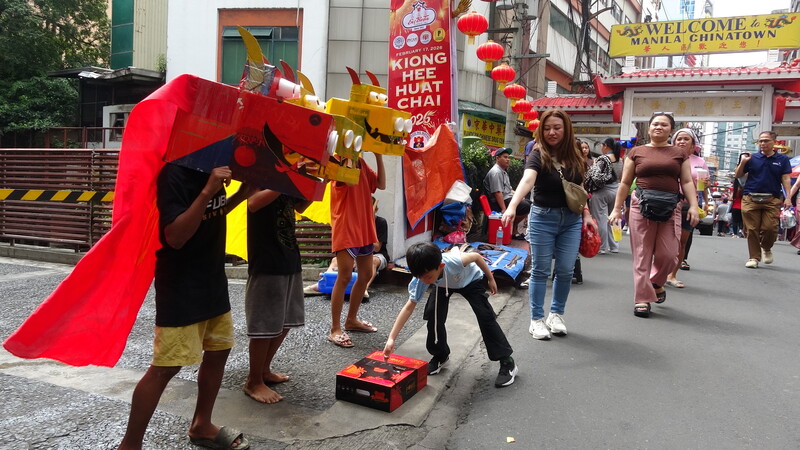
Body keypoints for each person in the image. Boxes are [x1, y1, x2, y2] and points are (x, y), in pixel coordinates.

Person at [119, 164, 254, 450]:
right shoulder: (174, 173)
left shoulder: (214, 166)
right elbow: (176, 236)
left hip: (212, 278)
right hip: (181, 284)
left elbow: (209, 215)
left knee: (219, 351)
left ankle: (201, 425)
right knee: (166, 367)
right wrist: (207, 191)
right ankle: (129, 445)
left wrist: (240, 195)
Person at [502, 109, 597, 339]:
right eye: (546, 128)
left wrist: (586, 214)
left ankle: (556, 314)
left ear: (566, 129)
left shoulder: (575, 156)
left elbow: (579, 190)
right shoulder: (538, 155)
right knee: (541, 270)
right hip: (543, 218)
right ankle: (536, 319)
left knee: (565, 270)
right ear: (541, 131)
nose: (552, 132)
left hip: (572, 220)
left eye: (557, 127)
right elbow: (527, 179)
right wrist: (513, 206)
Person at [382, 242, 517, 387]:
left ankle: (507, 362)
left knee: (486, 317)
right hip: (442, 285)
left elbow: (477, 257)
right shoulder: (422, 277)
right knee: (433, 316)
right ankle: (441, 355)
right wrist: (391, 338)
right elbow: (409, 307)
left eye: (427, 277)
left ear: (440, 267)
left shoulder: (457, 261)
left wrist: (490, 278)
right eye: (420, 277)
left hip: (469, 280)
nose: (424, 281)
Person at [609, 113, 699, 318]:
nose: (659, 127)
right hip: (641, 205)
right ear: (649, 128)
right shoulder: (636, 152)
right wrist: (617, 208)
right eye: (655, 124)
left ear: (670, 129)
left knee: (670, 253)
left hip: (671, 207)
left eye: (664, 125)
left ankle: (656, 282)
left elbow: (686, 182)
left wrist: (693, 205)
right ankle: (642, 298)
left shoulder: (679, 154)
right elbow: (624, 182)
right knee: (642, 254)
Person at [243, 189, 310, 404]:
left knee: (285, 322)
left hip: (289, 256)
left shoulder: (286, 169)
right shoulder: (262, 167)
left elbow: (299, 207)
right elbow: (252, 202)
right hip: (267, 260)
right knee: (264, 326)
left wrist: (323, 178)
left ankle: (263, 371)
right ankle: (252, 382)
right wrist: (285, 179)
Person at [327, 154, 386, 347]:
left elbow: (381, 184)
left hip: (364, 227)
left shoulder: (361, 162)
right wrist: (348, 152)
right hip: (346, 226)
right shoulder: (338, 161)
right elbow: (348, 180)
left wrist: (379, 155)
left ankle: (351, 320)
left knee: (366, 274)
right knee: (343, 276)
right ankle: (335, 328)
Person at [734, 131, 792, 268]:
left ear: (774, 142)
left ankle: (766, 247)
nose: (762, 143)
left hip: (772, 199)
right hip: (750, 197)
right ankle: (753, 257)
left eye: (766, 140)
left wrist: (788, 197)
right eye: (760, 141)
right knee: (752, 229)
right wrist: (743, 162)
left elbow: (786, 178)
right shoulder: (752, 158)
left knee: (770, 228)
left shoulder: (782, 160)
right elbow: (738, 175)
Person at [303, 212, 389, 299]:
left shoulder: (380, 222)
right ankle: (323, 284)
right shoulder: (355, 222)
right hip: (356, 253)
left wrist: (365, 233)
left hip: (377, 255)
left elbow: (377, 247)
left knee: (372, 261)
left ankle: (363, 289)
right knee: (335, 260)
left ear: (375, 208)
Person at [665, 128, 709, 288]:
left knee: (682, 242)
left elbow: (703, 185)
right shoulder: (667, 158)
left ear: (693, 144)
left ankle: (672, 275)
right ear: (674, 142)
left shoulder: (700, 162)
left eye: (686, 139)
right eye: (679, 139)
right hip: (668, 203)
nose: (682, 141)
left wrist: (704, 202)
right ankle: (660, 271)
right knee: (666, 240)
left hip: (689, 205)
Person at [586, 137, 624, 254]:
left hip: (602, 191)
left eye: (601, 146)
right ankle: (614, 246)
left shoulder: (602, 159)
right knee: (614, 218)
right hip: (616, 189)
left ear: (605, 146)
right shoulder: (620, 160)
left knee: (600, 218)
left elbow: (596, 176)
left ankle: (602, 247)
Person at [483, 147, 530, 238]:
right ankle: (510, 228)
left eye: (508, 157)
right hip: (498, 202)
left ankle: (512, 228)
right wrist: (504, 209)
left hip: (506, 197)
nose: (508, 159)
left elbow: (508, 189)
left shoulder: (503, 171)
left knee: (527, 203)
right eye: (505, 157)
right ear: (497, 158)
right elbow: (497, 193)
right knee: (525, 206)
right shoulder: (496, 172)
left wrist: (518, 195)